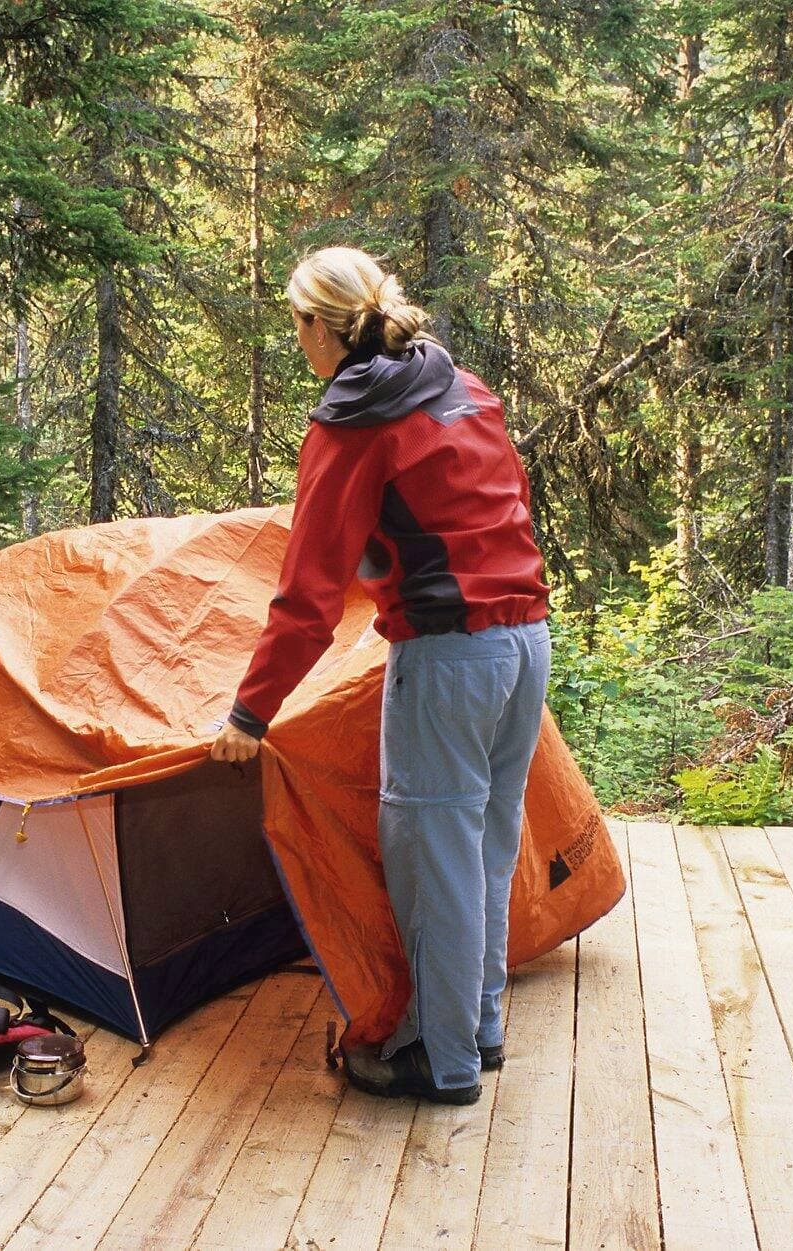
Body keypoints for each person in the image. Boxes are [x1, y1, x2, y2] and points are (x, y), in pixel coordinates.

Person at [210, 247, 551, 1105]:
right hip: (527, 641)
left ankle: (440, 1063)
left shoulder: (354, 422)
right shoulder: (462, 386)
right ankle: (476, 1026)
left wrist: (249, 713)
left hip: (448, 658)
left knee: (431, 858)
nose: (298, 342)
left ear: (321, 327)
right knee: (483, 844)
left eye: (296, 325)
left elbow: (308, 594)